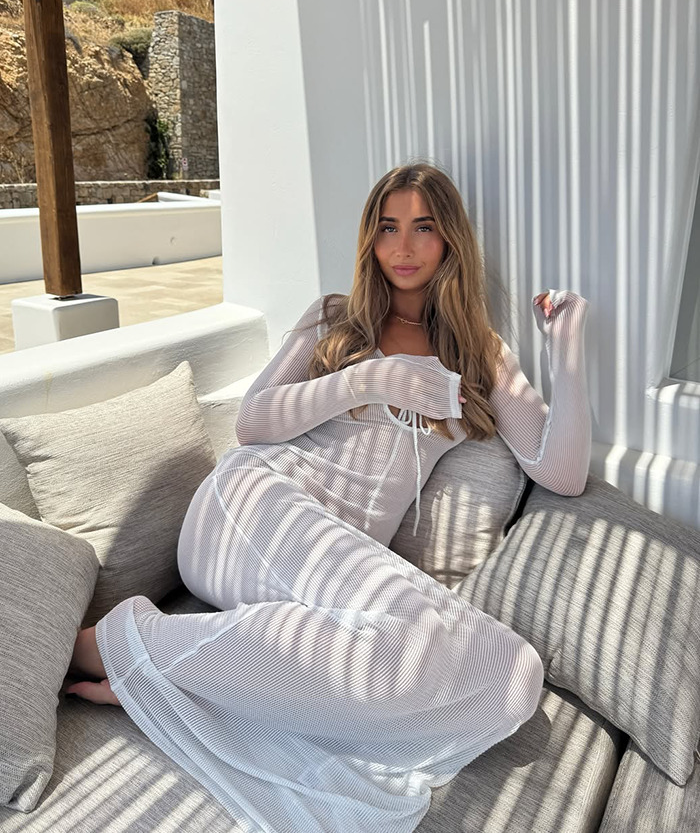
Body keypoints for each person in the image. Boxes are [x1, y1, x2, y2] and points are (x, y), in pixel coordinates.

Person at [68, 163, 591, 833]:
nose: (403, 248)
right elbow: (251, 423)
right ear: (370, 241)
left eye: (423, 229)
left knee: (510, 672)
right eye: (388, 228)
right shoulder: (335, 319)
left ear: (451, 241)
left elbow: (563, 471)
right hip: (254, 503)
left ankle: (175, 673)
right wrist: (370, 378)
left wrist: (568, 351)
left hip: (325, 568)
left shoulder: (481, 354)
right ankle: (110, 646)